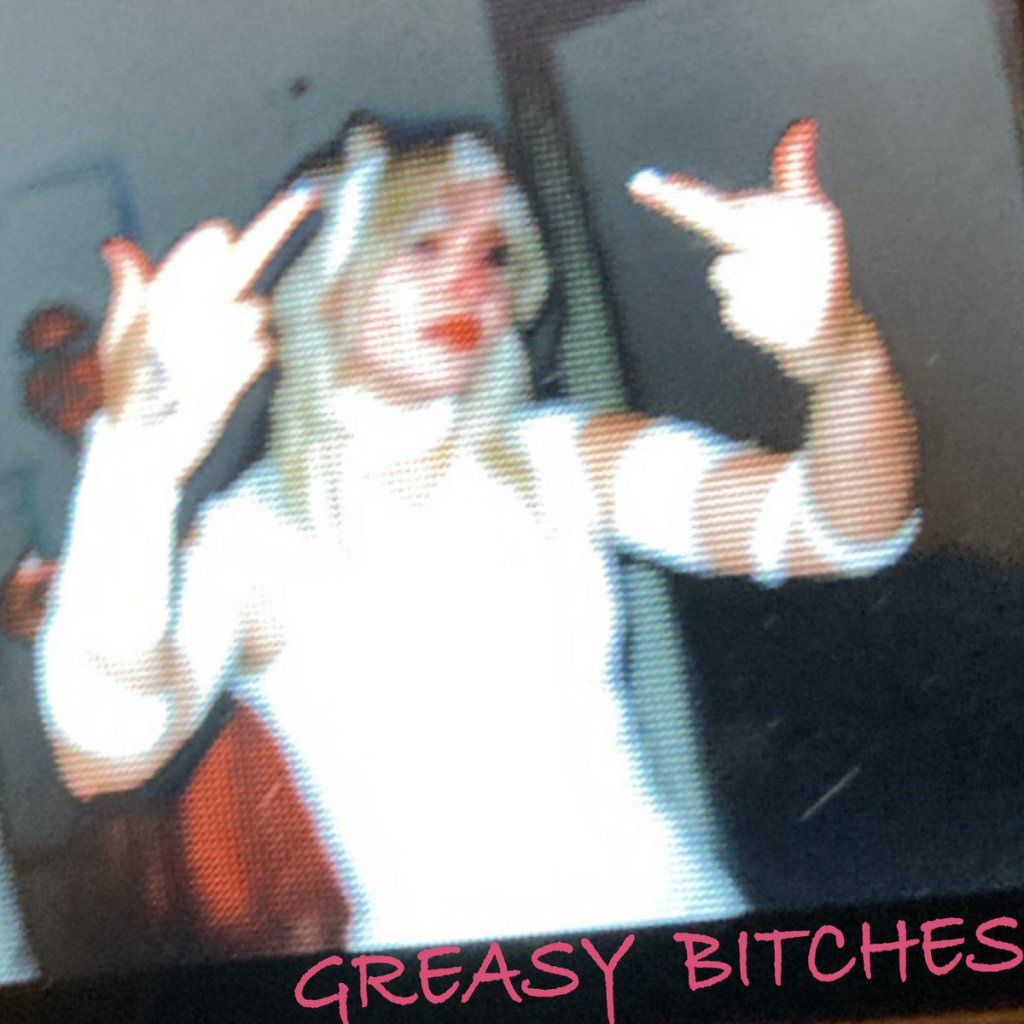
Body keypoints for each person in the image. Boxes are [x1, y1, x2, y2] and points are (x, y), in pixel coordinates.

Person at [35, 115, 918, 949]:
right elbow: (106, 752)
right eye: (422, 244)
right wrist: (133, 466)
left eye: (493, 254)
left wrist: (843, 355)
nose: (470, 282)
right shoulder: (253, 539)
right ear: (324, 287)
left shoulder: (563, 458)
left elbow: (840, 529)